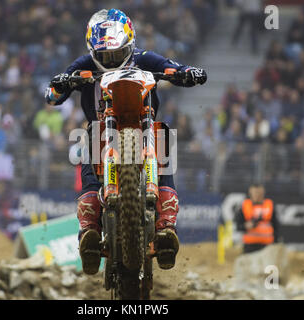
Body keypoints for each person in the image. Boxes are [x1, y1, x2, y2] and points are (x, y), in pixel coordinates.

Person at [45, 9, 207, 274]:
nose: (110, 61)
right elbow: (51, 96)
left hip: (142, 124)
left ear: (130, 47)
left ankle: (166, 227)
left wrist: (189, 73)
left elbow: (173, 68)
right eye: (104, 57)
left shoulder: (144, 58)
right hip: (101, 129)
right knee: (89, 145)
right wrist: (61, 83)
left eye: (116, 55)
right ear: (93, 51)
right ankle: (89, 231)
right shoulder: (83, 64)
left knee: (163, 135)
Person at [235, 183, 279, 253]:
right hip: (250, 245)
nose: (257, 195)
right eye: (255, 192)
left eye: (259, 193)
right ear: (250, 193)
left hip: (267, 245)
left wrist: (276, 241)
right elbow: (238, 225)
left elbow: (276, 225)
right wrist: (245, 226)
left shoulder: (269, 205)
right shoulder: (245, 206)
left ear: (263, 193)